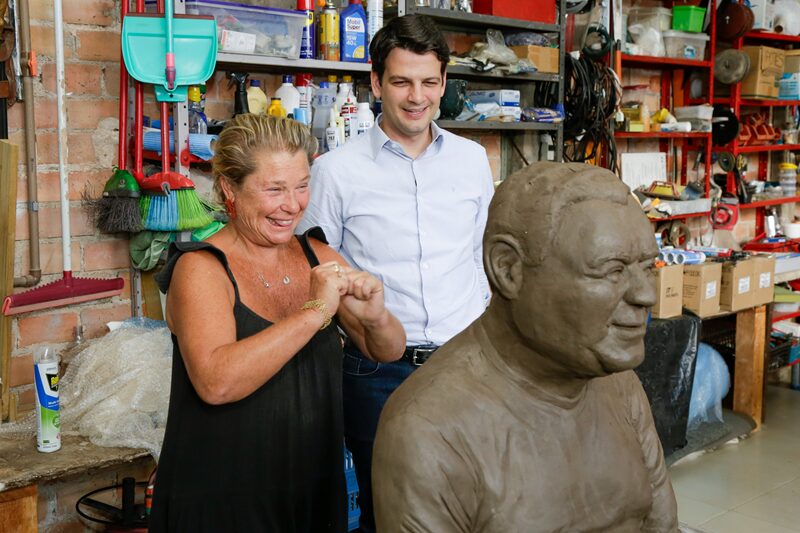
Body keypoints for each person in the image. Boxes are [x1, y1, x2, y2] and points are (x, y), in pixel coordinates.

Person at [372, 162, 679, 532]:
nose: (646, 294)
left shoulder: (618, 381)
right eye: (612, 270)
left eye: (647, 267)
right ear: (508, 269)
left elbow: (662, 522)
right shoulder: (428, 432)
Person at [149, 114, 406, 533]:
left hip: (312, 494)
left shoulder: (317, 255)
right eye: (274, 190)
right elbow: (216, 382)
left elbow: (388, 350)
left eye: (302, 186)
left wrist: (377, 315)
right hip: (222, 501)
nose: (293, 205)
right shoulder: (201, 268)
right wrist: (316, 312)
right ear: (230, 189)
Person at [298, 15, 495, 531]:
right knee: (387, 512)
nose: (416, 97)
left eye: (429, 82)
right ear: (376, 83)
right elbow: (312, 264)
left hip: (466, 363)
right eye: (402, 81)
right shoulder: (335, 171)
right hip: (376, 374)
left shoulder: (472, 161)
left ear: (444, 83)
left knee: (473, 502)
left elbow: (483, 255)